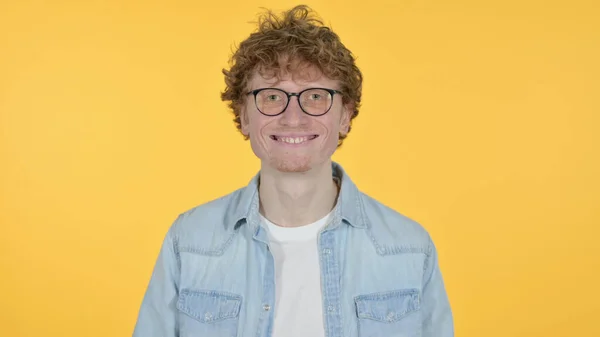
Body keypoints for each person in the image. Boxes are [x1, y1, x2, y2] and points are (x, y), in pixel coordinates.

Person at [132, 5, 453, 337]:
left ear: (345, 116)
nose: (293, 118)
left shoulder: (409, 247)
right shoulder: (189, 241)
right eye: (272, 96)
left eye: (315, 96)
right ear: (243, 116)